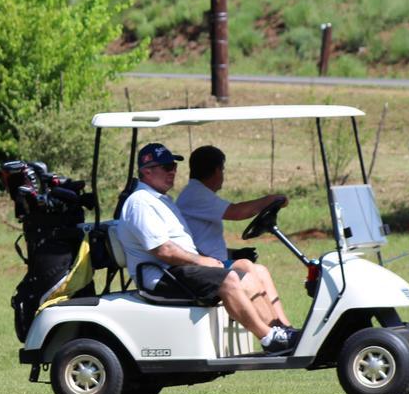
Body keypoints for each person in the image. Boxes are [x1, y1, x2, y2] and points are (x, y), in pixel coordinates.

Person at [117, 142, 298, 353]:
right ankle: (269, 338)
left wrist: (208, 258)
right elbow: (163, 251)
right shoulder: (140, 203)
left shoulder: (161, 200)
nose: (173, 171)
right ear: (147, 171)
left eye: (174, 166)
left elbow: (181, 244)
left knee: (248, 271)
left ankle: (282, 331)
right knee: (231, 278)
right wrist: (202, 260)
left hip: (175, 269)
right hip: (162, 277)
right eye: (167, 167)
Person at [176, 145, 294, 329]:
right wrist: (270, 199)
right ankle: (275, 329)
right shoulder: (196, 193)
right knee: (246, 267)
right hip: (205, 268)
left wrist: (233, 253)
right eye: (222, 170)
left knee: (260, 270)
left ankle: (285, 326)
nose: (222, 174)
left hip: (212, 261)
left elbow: (202, 238)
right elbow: (237, 212)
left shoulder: (196, 193)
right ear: (216, 170)